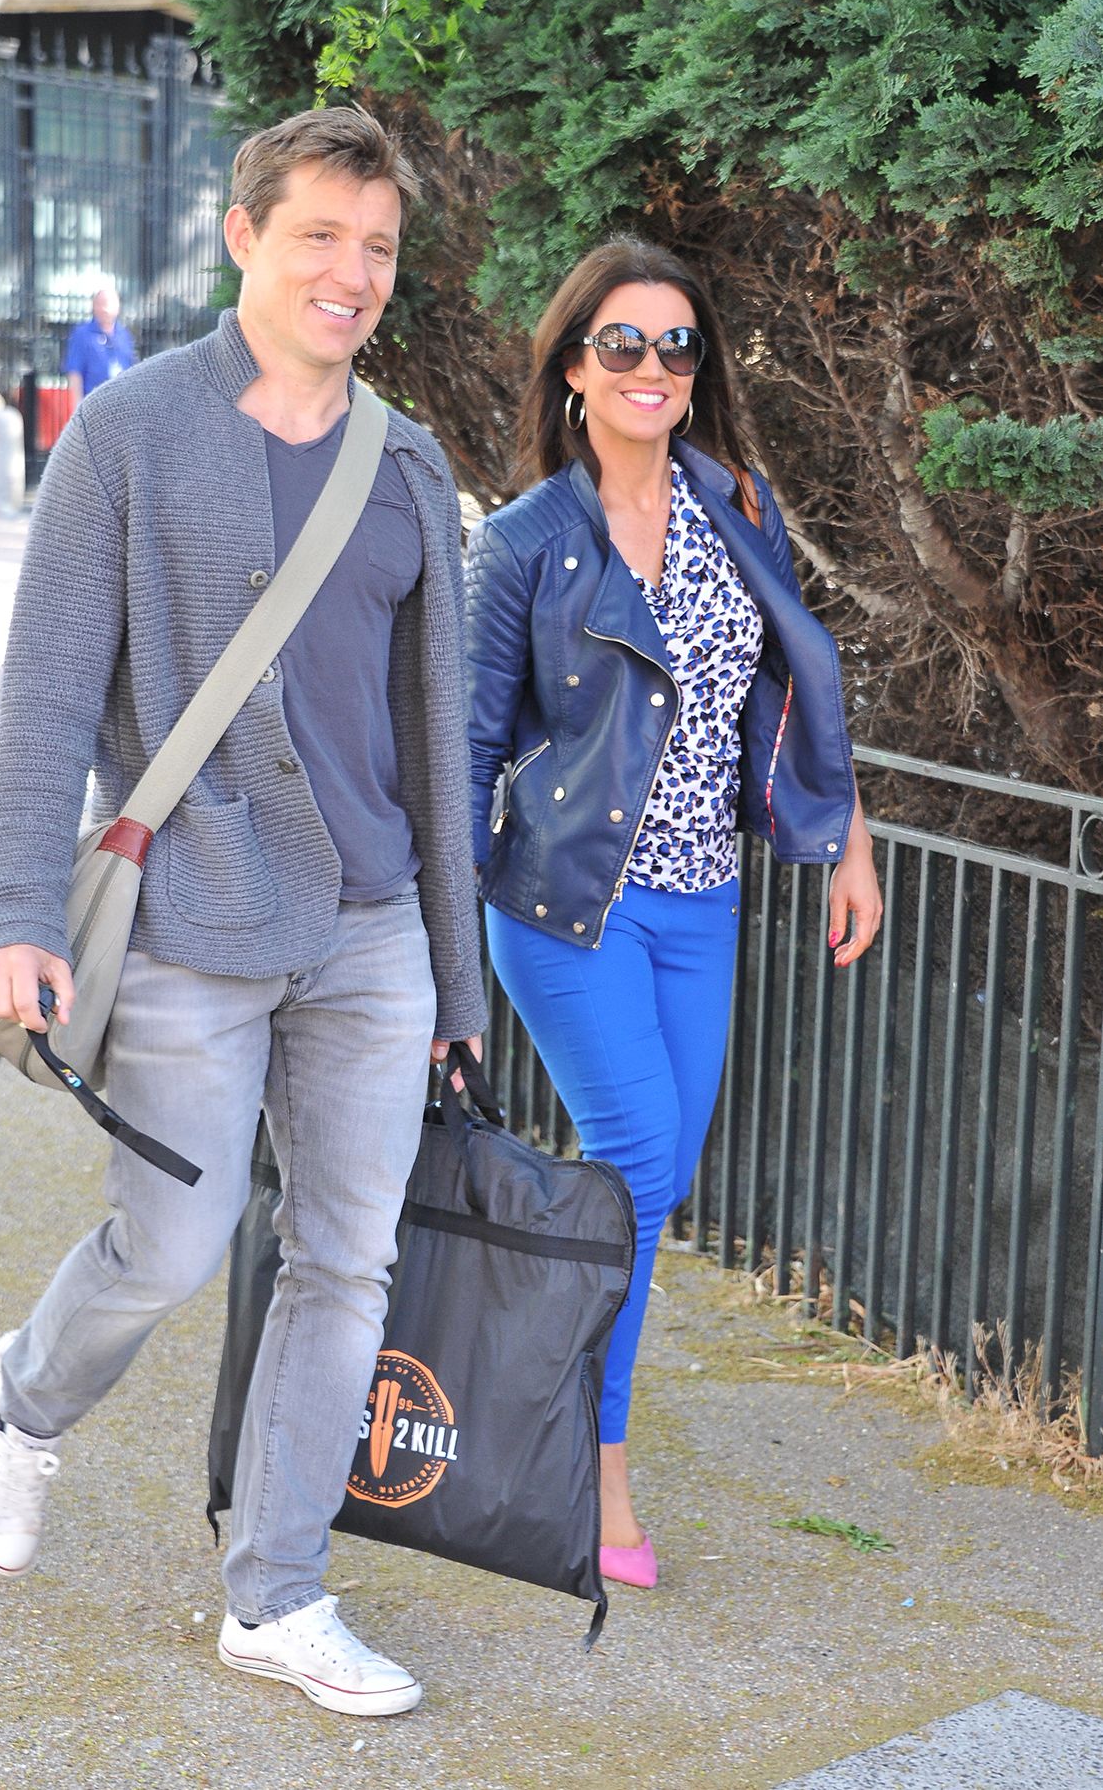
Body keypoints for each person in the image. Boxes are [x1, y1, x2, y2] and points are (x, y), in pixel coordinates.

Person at [0, 105, 485, 1718]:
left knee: (346, 1261)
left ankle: (277, 1591)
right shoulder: (127, 432)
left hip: (373, 927)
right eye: (320, 235)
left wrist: (456, 978)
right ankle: (30, 1395)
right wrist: (6, 916)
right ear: (246, 234)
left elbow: (434, 739)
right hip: (192, 908)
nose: (352, 272)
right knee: (174, 1242)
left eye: (377, 246)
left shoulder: (407, 459)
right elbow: (48, 699)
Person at [464, 238, 882, 1590]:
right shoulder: (524, 542)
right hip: (564, 906)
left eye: (677, 346)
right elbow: (463, 754)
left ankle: (548, 1422)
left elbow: (788, 686)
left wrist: (847, 839)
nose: (652, 367)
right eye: (623, 344)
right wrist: (431, 972)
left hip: (702, 900)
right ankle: (594, 1470)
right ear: (574, 365)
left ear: (697, 376)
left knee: (649, 1178)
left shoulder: (732, 502)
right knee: (638, 1161)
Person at [63, 286, 138, 407]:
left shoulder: (124, 335)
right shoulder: (83, 334)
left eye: (109, 304)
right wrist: (77, 405)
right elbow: (75, 372)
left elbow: (131, 369)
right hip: (93, 403)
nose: (105, 309)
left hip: (119, 403)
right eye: (101, 304)